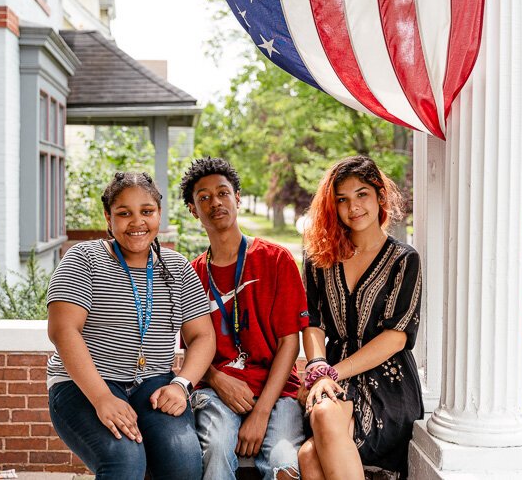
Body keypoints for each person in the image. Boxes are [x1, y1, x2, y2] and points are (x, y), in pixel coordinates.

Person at [46, 172, 216, 480]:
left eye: (146, 212)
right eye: (124, 213)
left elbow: (203, 336)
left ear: (159, 215)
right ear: (108, 218)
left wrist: (181, 385)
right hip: (84, 385)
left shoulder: (177, 267)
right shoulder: (84, 258)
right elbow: (62, 330)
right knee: (125, 461)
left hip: (154, 383)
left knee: (184, 464)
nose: (137, 222)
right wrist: (101, 398)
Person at [179, 157, 309, 480]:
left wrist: (261, 412)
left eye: (222, 193)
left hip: (279, 391)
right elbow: (192, 351)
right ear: (194, 210)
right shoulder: (191, 275)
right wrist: (218, 380)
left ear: (237, 197)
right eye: (204, 197)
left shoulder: (276, 259)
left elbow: (289, 344)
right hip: (216, 392)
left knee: (284, 462)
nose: (215, 202)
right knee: (217, 449)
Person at [297, 156, 424, 479]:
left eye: (362, 194)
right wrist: (316, 368)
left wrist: (330, 373)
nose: (353, 207)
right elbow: (312, 322)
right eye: (342, 199)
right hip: (332, 372)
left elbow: (396, 337)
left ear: (380, 196)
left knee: (311, 455)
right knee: (312, 449)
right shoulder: (319, 258)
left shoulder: (404, 260)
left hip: (388, 382)